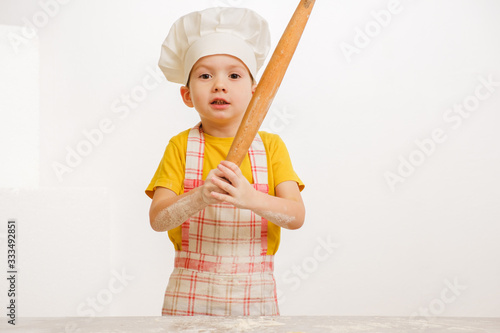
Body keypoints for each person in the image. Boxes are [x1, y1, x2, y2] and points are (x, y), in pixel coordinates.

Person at [145, 7, 305, 316]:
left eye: (234, 75)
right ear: (187, 94)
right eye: (205, 75)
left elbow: (295, 216)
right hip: (189, 295)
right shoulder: (180, 146)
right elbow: (159, 220)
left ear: (256, 92)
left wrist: (251, 199)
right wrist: (199, 197)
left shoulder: (271, 147)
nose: (220, 85)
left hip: (254, 295)